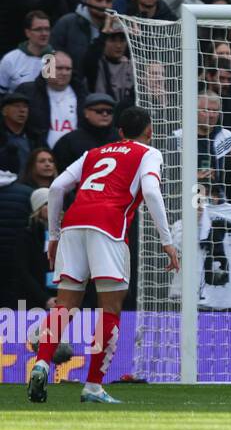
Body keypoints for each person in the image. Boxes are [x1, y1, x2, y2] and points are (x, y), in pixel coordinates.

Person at [28, 106, 178, 404]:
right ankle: (93, 386)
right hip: (108, 228)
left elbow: (57, 187)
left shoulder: (94, 153)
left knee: (65, 305)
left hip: (73, 224)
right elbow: (150, 191)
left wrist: (55, 235)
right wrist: (167, 240)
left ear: (119, 131)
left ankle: (43, 363)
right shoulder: (148, 153)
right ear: (150, 130)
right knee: (109, 308)